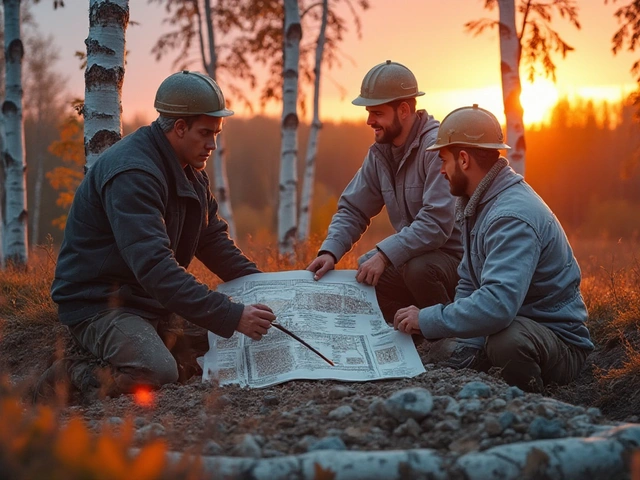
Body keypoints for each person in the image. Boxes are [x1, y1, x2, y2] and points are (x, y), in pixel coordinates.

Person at [35, 71, 275, 403]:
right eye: (205, 133)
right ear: (179, 127)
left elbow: (212, 240)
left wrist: (271, 289)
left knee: (230, 341)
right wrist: (231, 314)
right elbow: (156, 268)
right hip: (102, 304)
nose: (213, 145)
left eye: (216, 134)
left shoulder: (190, 170)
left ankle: (152, 342)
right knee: (157, 372)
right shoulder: (133, 173)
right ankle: (70, 372)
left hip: (148, 300)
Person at [393, 104, 594, 392]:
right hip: (516, 323)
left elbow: (498, 305)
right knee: (447, 352)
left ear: (463, 160)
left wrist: (426, 319)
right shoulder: (477, 203)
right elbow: (468, 281)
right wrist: (462, 346)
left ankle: (530, 403)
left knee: (507, 342)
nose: (440, 170)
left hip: (559, 342)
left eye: (443, 160)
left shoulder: (510, 216)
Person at [306, 60, 465, 337]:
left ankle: (452, 336)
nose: (369, 121)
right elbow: (354, 209)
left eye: (377, 112)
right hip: (416, 256)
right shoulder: (380, 153)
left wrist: (384, 254)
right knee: (365, 274)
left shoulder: (436, 148)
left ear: (404, 110)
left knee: (417, 269)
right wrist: (329, 251)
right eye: (369, 113)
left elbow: (437, 224)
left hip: (456, 263)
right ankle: (411, 333)